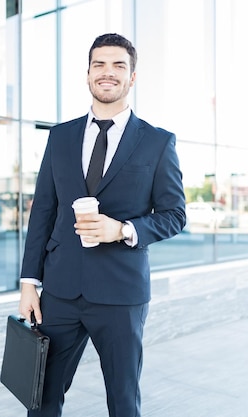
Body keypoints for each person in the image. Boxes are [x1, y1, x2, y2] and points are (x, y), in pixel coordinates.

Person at [18, 34, 186, 417]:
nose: (108, 73)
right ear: (88, 74)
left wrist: (123, 230)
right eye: (100, 65)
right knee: (41, 397)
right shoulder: (60, 137)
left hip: (121, 295)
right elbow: (43, 210)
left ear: (132, 77)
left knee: (123, 401)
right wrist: (29, 284)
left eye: (118, 66)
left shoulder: (158, 143)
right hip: (59, 292)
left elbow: (175, 215)